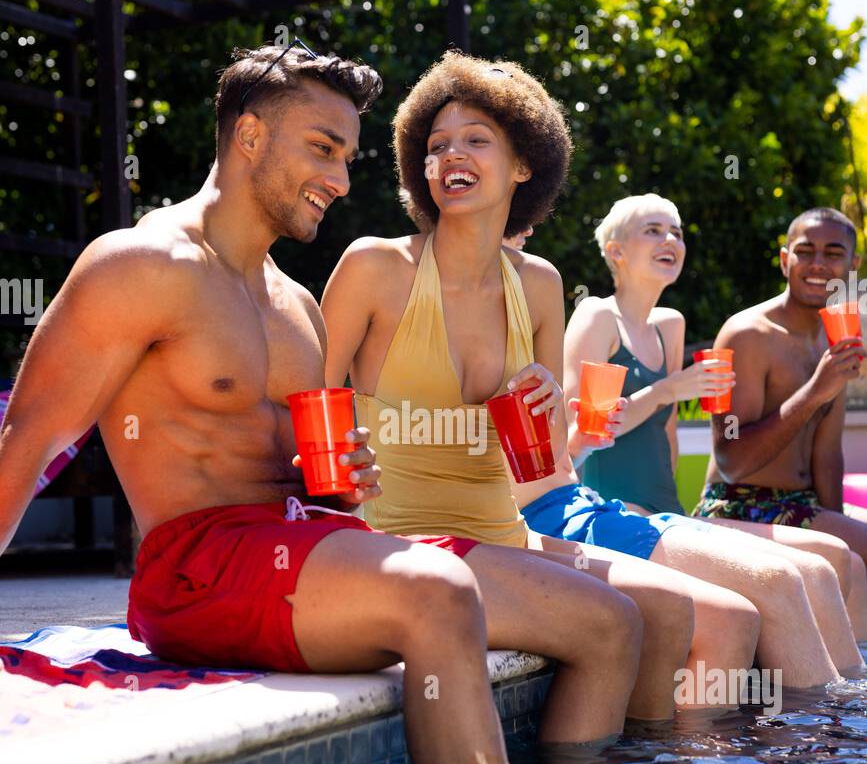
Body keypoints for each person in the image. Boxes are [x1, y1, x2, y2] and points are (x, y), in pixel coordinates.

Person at [0, 41, 649, 764]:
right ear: (248, 137)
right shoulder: (141, 265)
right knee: (437, 593)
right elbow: (27, 443)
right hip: (194, 569)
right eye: (322, 149)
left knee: (607, 622)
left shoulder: (293, 308)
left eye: (345, 157)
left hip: (302, 544)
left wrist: (341, 479)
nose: (341, 181)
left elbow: (315, 478)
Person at [322, 51, 770, 714]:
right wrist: (335, 476)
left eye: (476, 140)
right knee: (614, 622)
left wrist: (545, 402)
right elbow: (302, 410)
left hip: (506, 530)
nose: (452, 156)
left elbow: (551, 455)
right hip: (397, 535)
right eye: (437, 145)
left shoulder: (538, 284)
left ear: (523, 164)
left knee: (711, 613)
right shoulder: (374, 267)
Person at [543, 198, 867, 678]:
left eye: (675, 231)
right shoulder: (595, 316)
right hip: (610, 509)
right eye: (653, 230)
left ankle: (844, 715)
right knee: (803, 572)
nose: (670, 240)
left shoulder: (669, 324)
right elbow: (578, 437)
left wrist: (679, 513)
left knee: (831, 566)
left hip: (663, 509)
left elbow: (668, 437)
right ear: (615, 251)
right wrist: (666, 390)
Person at [694, 207, 867, 565]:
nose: (818, 263)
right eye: (805, 251)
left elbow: (827, 454)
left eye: (833, 254)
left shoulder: (834, 337)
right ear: (785, 260)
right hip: (740, 503)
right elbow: (732, 463)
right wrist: (815, 391)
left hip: (804, 506)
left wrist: (839, 524)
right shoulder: (747, 334)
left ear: (853, 265)